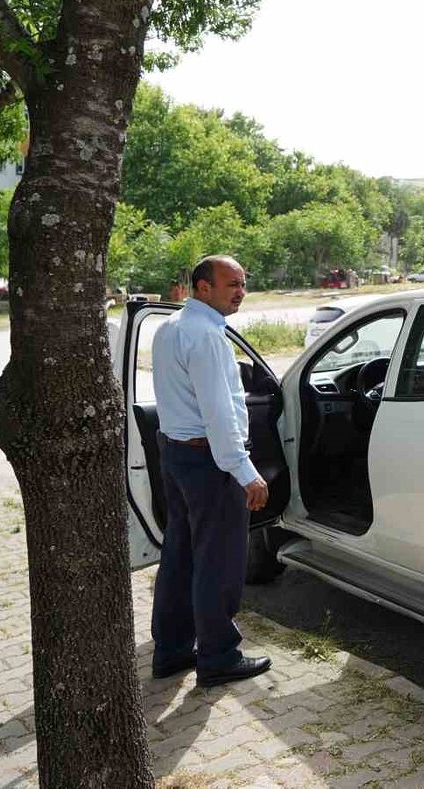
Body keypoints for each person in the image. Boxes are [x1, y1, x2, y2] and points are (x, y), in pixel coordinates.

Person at [149, 255, 272, 685]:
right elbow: (219, 414)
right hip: (209, 462)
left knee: (179, 556)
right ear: (202, 287)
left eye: (243, 283)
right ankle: (218, 657)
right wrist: (246, 472)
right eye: (230, 284)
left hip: (177, 454)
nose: (240, 291)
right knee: (217, 563)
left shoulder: (170, 328)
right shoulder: (207, 338)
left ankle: (171, 650)